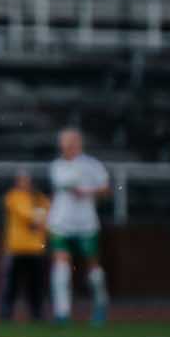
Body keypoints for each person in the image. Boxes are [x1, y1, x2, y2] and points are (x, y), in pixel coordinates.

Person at [46, 127, 109, 325]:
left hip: (86, 224)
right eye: (65, 143)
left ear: (79, 144)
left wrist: (88, 192)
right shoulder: (57, 166)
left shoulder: (92, 165)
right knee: (61, 266)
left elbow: (106, 190)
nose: (68, 147)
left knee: (93, 267)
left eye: (71, 142)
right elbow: (63, 183)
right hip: (61, 224)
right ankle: (62, 312)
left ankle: (100, 302)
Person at [0, 168, 49, 321]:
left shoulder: (39, 198)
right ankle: (6, 314)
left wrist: (39, 217)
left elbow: (47, 213)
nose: (24, 183)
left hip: (35, 248)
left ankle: (37, 314)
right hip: (16, 248)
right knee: (10, 286)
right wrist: (38, 216)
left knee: (35, 286)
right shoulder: (13, 196)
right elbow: (27, 215)